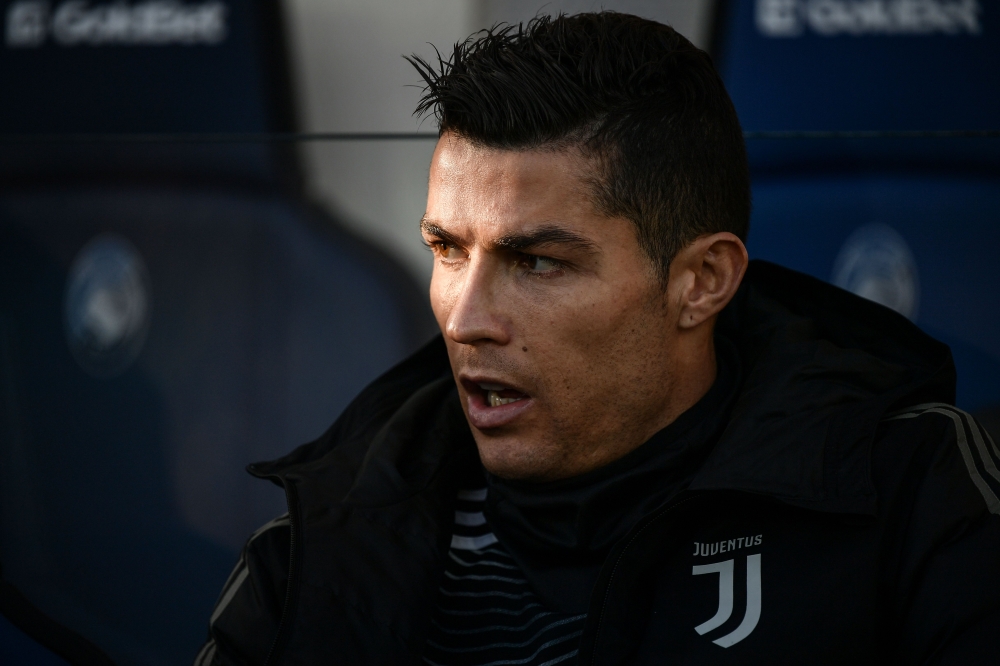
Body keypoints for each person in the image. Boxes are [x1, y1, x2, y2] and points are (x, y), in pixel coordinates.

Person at [195, 12, 1000, 666]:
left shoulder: (908, 496)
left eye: (537, 261)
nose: (465, 319)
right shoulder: (324, 543)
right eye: (447, 249)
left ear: (701, 282)